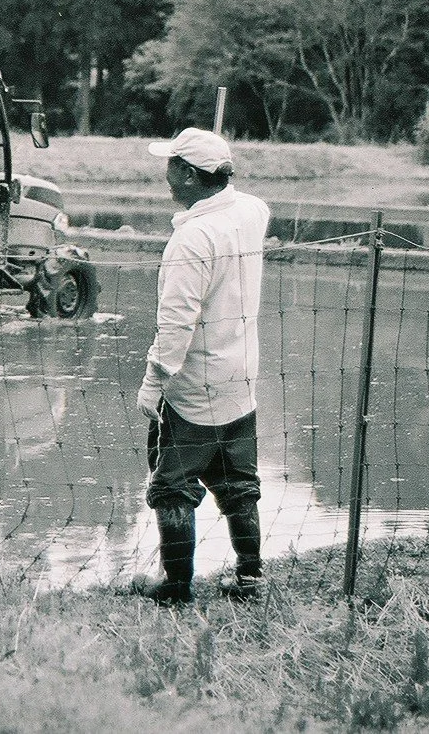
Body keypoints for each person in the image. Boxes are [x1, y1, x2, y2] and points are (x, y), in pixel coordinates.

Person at [136, 126, 272, 604]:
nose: (166, 175)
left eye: (172, 166)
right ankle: (250, 577)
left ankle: (176, 585)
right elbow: (245, 204)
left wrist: (153, 382)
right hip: (241, 375)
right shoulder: (252, 211)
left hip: (194, 384)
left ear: (191, 175)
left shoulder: (192, 239)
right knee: (239, 483)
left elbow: (177, 323)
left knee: (172, 485)